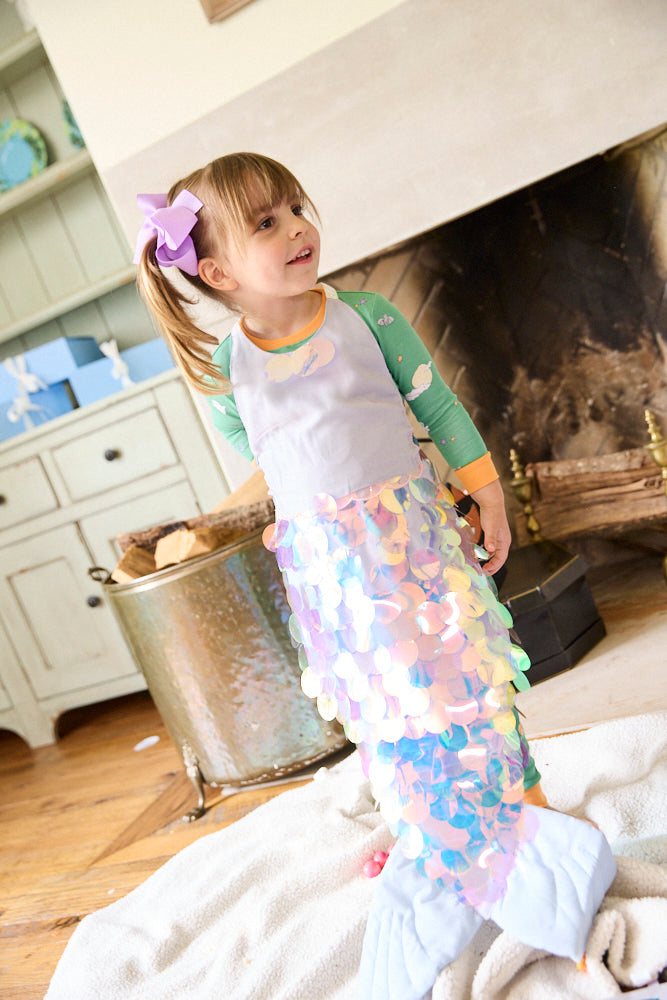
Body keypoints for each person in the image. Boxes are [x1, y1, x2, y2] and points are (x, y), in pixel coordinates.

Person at [134, 152, 614, 998]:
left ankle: (529, 821)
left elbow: (438, 408)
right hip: (334, 582)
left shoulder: (366, 318)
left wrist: (486, 494)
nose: (297, 228)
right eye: (267, 222)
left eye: (295, 207)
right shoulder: (225, 375)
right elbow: (264, 452)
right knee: (389, 714)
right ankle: (431, 837)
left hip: (417, 549)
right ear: (216, 273)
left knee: (471, 684)